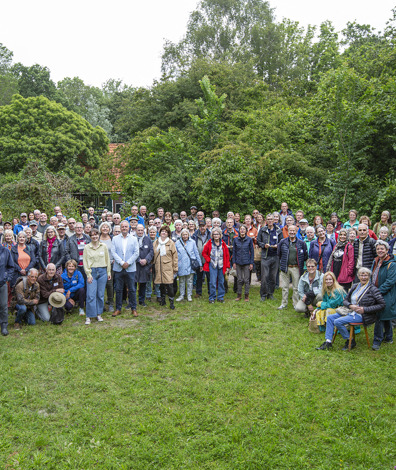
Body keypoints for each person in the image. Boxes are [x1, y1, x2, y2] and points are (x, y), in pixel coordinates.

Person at [316, 267, 386, 350]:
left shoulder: (373, 289)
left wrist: (364, 309)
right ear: (358, 276)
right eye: (361, 275)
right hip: (350, 311)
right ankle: (328, 342)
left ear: (369, 276)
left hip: (363, 315)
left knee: (338, 321)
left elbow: (382, 304)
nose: (363, 277)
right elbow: (345, 300)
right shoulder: (355, 286)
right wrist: (350, 305)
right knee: (330, 318)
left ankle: (350, 340)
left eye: (366, 275)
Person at [371, 240, 396, 350]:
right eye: (378, 249)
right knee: (385, 315)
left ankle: (377, 340)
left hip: (386, 293)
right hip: (376, 291)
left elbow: (390, 281)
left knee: (380, 316)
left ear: (387, 250)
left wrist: (378, 292)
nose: (380, 251)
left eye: (382, 249)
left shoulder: (392, 264)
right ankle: (389, 337)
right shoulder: (375, 261)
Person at [83, 228, 111, 325]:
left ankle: (99, 314)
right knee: (91, 295)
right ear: (90, 237)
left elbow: (108, 260)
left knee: (100, 295)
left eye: (96, 235)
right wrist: (88, 274)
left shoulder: (104, 246)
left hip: (102, 271)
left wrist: (108, 272)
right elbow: (85, 262)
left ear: (99, 235)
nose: (94, 236)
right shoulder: (87, 247)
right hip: (92, 272)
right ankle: (89, 315)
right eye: (92, 235)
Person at [111, 220, 139, 317]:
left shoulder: (134, 239)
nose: (124, 228)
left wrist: (128, 262)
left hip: (130, 268)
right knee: (118, 289)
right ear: (120, 227)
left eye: (126, 227)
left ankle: (133, 308)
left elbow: (136, 253)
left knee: (132, 289)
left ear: (129, 228)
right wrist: (122, 262)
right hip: (118, 267)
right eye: (122, 227)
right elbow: (113, 252)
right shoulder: (114, 239)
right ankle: (118, 308)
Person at [277, 225, 308, 310]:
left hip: (296, 268)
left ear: (296, 231)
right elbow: (279, 254)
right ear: (288, 231)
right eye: (290, 231)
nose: (292, 232)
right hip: (285, 267)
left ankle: (295, 303)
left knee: (296, 287)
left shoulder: (301, 243)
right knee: (285, 287)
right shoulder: (283, 242)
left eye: (294, 231)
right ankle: (284, 304)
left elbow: (305, 256)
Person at [257, 213, 283, 301]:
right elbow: (258, 241)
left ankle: (270, 294)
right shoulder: (262, 230)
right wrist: (264, 245)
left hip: (275, 256)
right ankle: (263, 295)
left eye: (271, 219)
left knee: (272, 276)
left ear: (274, 220)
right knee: (264, 276)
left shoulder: (278, 230)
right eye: (268, 219)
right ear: (266, 221)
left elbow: (282, 242)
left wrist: (277, 245)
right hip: (265, 256)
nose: (270, 221)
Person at [202, 227, 230, 304]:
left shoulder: (223, 244)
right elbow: (204, 253)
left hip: (221, 265)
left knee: (221, 281)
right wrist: (208, 259)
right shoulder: (209, 243)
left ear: (220, 235)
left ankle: (220, 297)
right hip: (212, 265)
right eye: (214, 234)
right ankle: (212, 297)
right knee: (213, 282)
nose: (216, 236)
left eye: (217, 234)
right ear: (212, 235)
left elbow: (227, 256)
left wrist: (227, 266)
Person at [152, 225, 178, 309]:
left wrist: (175, 267)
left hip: (168, 267)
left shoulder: (171, 243)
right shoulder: (156, 242)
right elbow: (152, 254)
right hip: (158, 266)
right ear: (160, 233)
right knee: (161, 285)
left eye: (166, 232)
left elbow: (175, 256)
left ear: (168, 234)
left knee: (170, 285)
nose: (164, 233)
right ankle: (163, 300)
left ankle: (171, 301)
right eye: (162, 231)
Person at [175, 228, 201, 302]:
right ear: (181, 235)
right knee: (181, 281)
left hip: (190, 264)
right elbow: (175, 254)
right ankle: (181, 295)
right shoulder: (177, 243)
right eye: (183, 234)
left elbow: (196, 253)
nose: (185, 236)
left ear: (188, 235)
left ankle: (189, 295)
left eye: (186, 234)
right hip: (181, 264)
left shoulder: (192, 242)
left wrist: (200, 264)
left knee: (190, 280)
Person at [232, 224, 254, 301]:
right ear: (239, 231)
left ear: (246, 231)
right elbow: (234, 251)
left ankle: (246, 295)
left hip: (247, 262)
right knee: (239, 279)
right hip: (238, 262)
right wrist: (234, 262)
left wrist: (251, 263)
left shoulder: (249, 240)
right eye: (241, 229)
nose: (242, 230)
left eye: (243, 229)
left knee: (246, 280)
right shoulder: (235, 240)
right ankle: (239, 295)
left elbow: (252, 251)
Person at [135, 224, 154, 307]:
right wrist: (138, 259)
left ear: (144, 231)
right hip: (135, 265)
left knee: (143, 283)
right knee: (133, 284)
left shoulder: (148, 239)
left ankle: (141, 300)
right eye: (138, 230)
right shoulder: (132, 239)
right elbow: (131, 251)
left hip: (145, 265)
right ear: (136, 230)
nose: (140, 232)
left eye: (141, 230)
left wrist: (146, 260)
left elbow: (151, 251)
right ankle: (132, 301)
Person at [192, 220, 211, 298]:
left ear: (206, 226)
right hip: (199, 259)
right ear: (198, 227)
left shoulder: (210, 235)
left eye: (203, 226)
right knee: (199, 277)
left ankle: (210, 292)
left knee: (209, 277)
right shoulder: (195, 235)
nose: (202, 228)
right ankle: (198, 292)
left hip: (208, 260)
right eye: (200, 226)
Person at [99, 222, 114, 312]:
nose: (105, 228)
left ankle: (111, 303)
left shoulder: (112, 238)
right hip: (99, 264)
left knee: (109, 284)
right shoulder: (98, 238)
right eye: (103, 227)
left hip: (110, 264)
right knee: (101, 285)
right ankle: (101, 304)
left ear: (109, 229)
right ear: (100, 229)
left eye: (107, 227)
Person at [0, 243, 14, 335]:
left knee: (3, 305)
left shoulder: (5, 251)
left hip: (2, 283)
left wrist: (6, 278)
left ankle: (4, 325)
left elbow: (11, 267)